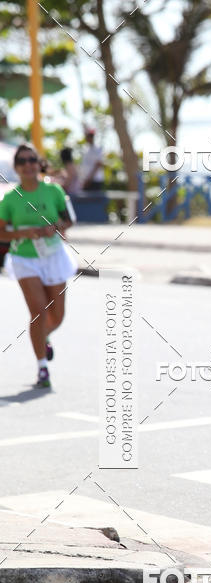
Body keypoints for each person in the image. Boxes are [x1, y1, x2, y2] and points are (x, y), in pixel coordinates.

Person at [0, 142, 78, 388]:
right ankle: (42, 367)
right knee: (39, 312)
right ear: (16, 168)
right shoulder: (9, 199)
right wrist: (27, 233)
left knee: (58, 316)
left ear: (39, 164)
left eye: (31, 160)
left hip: (53, 255)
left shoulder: (53, 192)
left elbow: (68, 221)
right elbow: (1, 233)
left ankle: (43, 336)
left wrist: (54, 228)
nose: (27, 165)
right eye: (22, 161)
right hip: (24, 259)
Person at [80, 127, 104, 191]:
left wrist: (89, 180)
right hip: (86, 181)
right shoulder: (86, 149)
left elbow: (98, 164)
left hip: (94, 181)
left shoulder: (98, 149)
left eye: (89, 136)